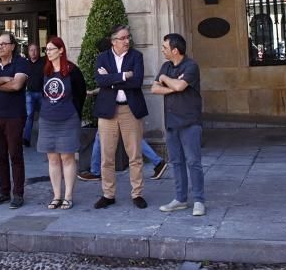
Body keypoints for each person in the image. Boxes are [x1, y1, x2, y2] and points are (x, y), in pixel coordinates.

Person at [93, 25, 148, 209]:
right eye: (123, 38)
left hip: (130, 110)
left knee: (135, 156)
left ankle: (137, 193)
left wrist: (112, 80)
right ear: (113, 41)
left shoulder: (136, 56)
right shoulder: (102, 58)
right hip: (108, 112)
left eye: (128, 37)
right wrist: (124, 76)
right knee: (106, 157)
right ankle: (108, 194)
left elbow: (137, 81)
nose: (127, 41)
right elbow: (100, 80)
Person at [152, 33, 205, 217]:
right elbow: (154, 88)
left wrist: (166, 80)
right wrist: (171, 85)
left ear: (175, 50)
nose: (162, 50)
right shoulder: (166, 66)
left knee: (193, 162)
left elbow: (180, 87)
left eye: (165, 47)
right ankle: (180, 199)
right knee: (176, 162)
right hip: (172, 123)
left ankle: (199, 200)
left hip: (190, 122)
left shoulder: (191, 66)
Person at [0, 32, 30, 208]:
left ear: (12, 46)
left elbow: (17, 85)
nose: (0, 46)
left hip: (15, 116)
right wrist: (2, 79)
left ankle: (17, 193)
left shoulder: (21, 62)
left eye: (4, 44)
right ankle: (3, 192)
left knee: (15, 155)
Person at [37, 36, 86, 210]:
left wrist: (75, 112)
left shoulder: (72, 70)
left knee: (67, 157)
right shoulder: (46, 71)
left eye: (50, 49)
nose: (48, 52)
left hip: (68, 119)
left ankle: (68, 196)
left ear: (61, 50)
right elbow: (39, 92)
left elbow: (81, 92)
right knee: (52, 158)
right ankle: (56, 196)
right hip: (48, 119)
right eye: (47, 50)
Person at [78, 134, 166, 182]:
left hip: (116, 108)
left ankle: (95, 171)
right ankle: (158, 162)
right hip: (124, 108)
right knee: (134, 137)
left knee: (100, 135)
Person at [23, 43, 45, 147]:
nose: (33, 52)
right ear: (28, 52)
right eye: (31, 50)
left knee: (43, 116)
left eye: (35, 50)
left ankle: (42, 139)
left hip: (41, 92)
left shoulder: (44, 63)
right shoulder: (25, 64)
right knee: (29, 116)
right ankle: (26, 139)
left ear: (38, 51)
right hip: (29, 93)